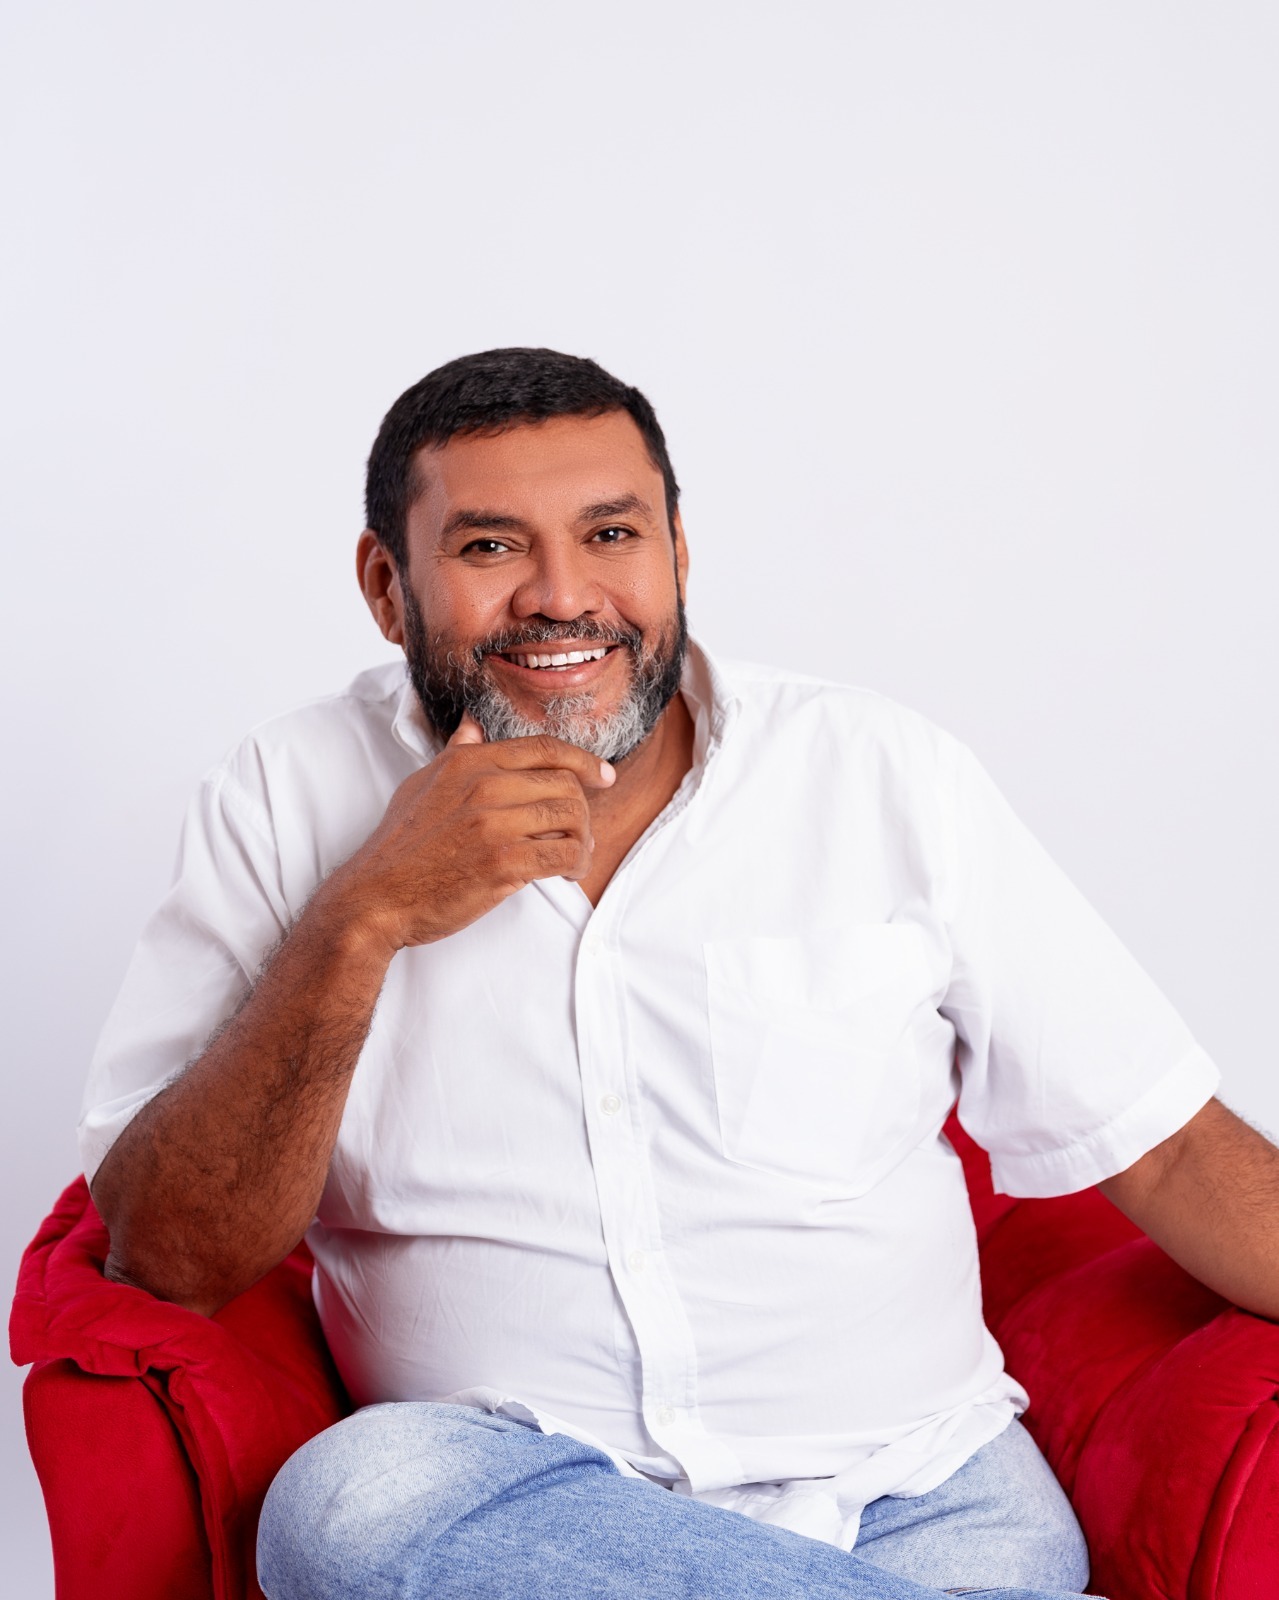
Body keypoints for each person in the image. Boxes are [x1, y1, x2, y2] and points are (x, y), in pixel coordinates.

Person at [81, 349, 1279, 1600]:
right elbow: (169, 1256)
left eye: (611, 534)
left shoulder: (879, 771)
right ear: (388, 586)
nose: (562, 596)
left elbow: (1166, 1149)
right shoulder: (282, 799)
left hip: (922, 1503)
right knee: (346, 1502)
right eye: (490, 547)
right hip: (516, 1516)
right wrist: (364, 914)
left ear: (678, 554)